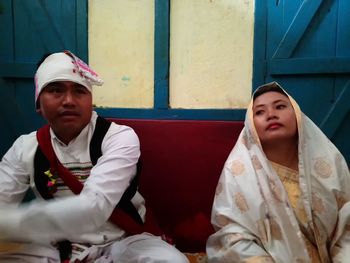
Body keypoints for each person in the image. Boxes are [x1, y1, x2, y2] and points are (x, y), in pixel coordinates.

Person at [0, 51, 189, 263]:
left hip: (122, 241)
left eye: (79, 91)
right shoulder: (25, 148)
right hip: (56, 246)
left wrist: (11, 224)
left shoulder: (119, 138)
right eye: (55, 90)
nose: (69, 101)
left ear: (91, 100)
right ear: (38, 104)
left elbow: (94, 207)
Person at [206, 81, 350, 262]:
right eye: (259, 112)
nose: (271, 115)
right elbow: (231, 238)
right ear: (251, 126)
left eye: (280, 107)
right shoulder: (238, 173)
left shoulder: (330, 164)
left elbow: (347, 228)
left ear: (298, 116)